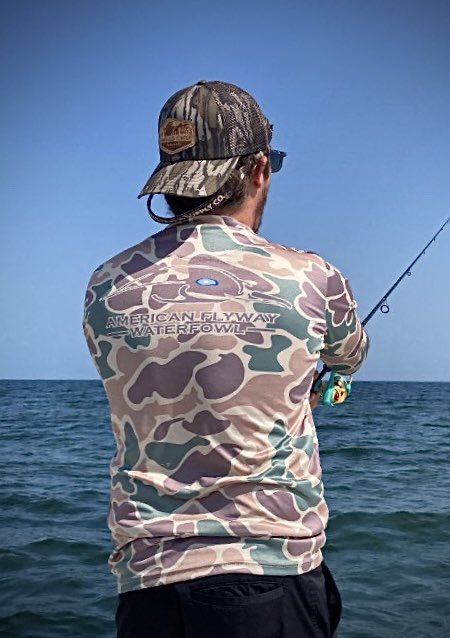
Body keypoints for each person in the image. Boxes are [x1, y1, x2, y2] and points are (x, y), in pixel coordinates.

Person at [83, 80, 369, 638]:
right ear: (259, 170)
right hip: (272, 575)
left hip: (147, 584)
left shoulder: (107, 285)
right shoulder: (313, 277)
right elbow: (351, 355)